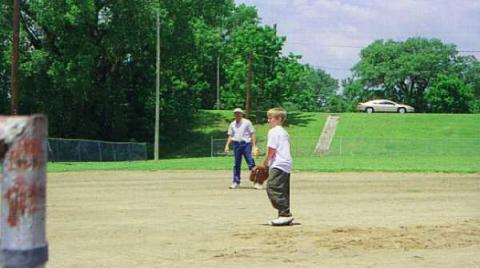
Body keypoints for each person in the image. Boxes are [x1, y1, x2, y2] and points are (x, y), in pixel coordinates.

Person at [262, 107, 294, 226]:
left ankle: (284, 214)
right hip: (286, 163)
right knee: (283, 189)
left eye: (271, 118)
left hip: (278, 163)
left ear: (279, 119)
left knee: (272, 187)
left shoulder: (274, 131)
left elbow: (271, 149)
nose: (268, 121)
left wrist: (265, 162)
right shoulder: (283, 131)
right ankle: (284, 214)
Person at [224, 108, 257, 189]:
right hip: (236, 144)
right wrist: (227, 145)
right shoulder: (232, 124)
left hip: (246, 144)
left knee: (251, 163)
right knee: (237, 164)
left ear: (242, 114)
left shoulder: (247, 122)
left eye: (239, 113)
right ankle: (236, 181)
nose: (237, 115)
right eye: (236, 113)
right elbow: (230, 136)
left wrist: (253, 146)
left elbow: (252, 134)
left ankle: (257, 181)